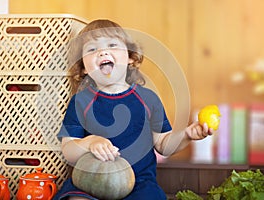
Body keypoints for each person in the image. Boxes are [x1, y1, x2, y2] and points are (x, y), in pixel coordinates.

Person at [53, 19, 213, 200]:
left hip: (139, 184)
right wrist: (90, 142)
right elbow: (68, 149)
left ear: (130, 57)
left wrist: (186, 135)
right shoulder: (80, 102)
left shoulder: (148, 99)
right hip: (89, 183)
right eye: (92, 49)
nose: (102, 52)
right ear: (83, 68)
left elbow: (163, 144)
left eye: (112, 45)